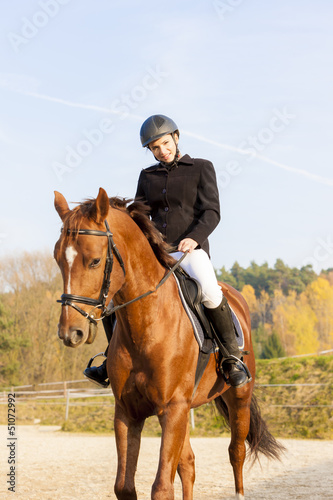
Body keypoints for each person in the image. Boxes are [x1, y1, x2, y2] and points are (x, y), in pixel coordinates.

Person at [84, 114, 251, 388]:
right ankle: (110, 358)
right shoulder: (147, 176)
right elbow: (139, 213)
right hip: (156, 253)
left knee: (209, 289)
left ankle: (232, 357)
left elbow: (212, 212)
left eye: (165, 144)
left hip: (190, 251)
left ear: (176, 137)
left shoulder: (201, 168)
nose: (162, 151)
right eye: (155, 148)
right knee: (114, 299)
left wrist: (194, 239)